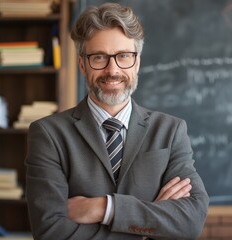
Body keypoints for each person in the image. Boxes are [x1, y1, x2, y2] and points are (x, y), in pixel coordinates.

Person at [25, 2, 209, 239]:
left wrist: (104, 207)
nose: (113, 70)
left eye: (124, 56)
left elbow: (190, 222)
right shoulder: (48, 134)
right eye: (99, 57)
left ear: (137, 63)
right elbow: (50, 232)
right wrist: (147, 229)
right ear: (82, 64)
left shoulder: (171, 131)